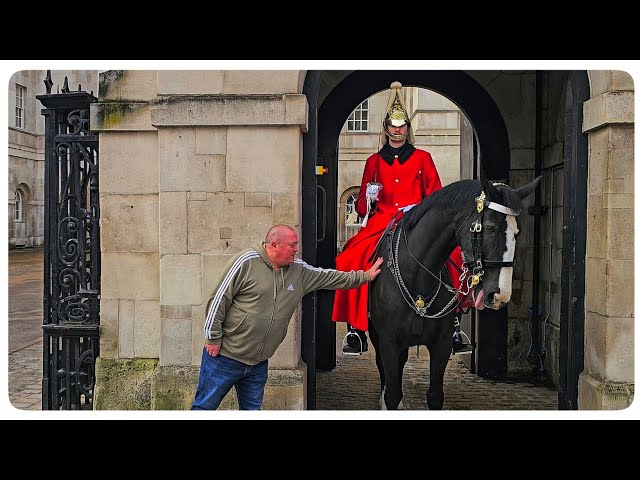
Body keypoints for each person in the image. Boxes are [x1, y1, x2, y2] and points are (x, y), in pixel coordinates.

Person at [332, 81, 471, 355]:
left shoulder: (423, 158)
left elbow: (437, 197)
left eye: (402, 125)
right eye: (393, 125)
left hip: (417, 220)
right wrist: (368, 199)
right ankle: (356, 330)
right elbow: (361, 207)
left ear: (408, 127)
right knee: (348, 257)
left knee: (454, 255)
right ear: (386, 128)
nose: (397, 130)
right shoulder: (373, 161)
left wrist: (419, 210)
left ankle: (454, 321)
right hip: (382, 221)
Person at [192, 224, 384, 410]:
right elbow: (218, 299)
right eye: (292, 245)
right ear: (274, 245)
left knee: (251, 410)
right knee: (204, 408)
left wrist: (364, 276)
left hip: (257, 363)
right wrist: (213, 337)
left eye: (296, 245)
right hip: (225, 357)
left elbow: (330, 277)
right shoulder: (246, 262)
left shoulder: (298, 271)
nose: (296, 249)